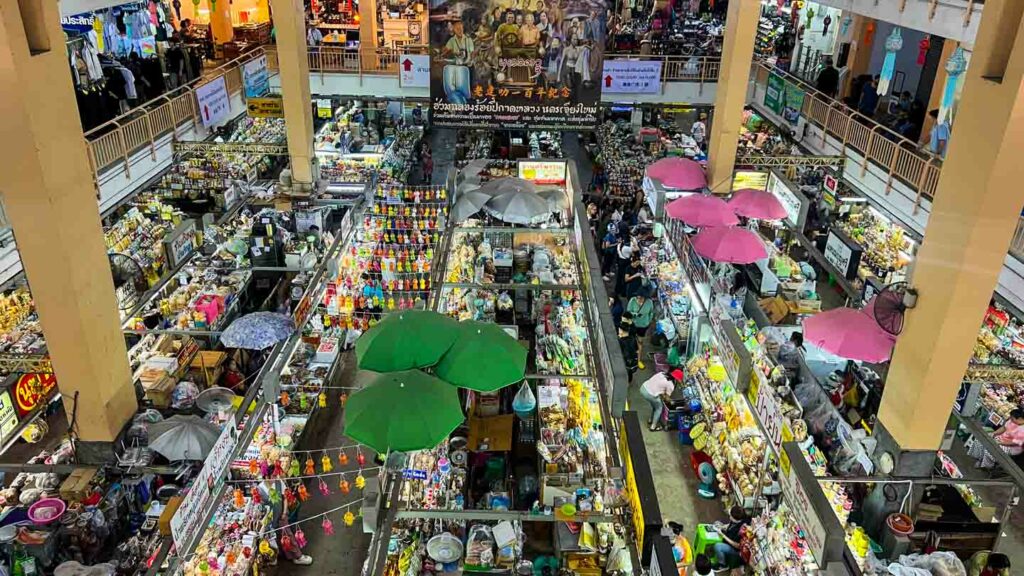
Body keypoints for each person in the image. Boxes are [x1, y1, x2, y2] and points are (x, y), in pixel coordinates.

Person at [627, 290, 654, 368]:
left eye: (641, 298)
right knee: (631, 341)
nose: (639, 300)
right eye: (638, 298)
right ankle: (630, 357)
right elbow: (628, 312)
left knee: (640, 342)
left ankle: (638, 360)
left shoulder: (649, 302)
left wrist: (648, 321)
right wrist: (635, 314)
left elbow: (651, 312)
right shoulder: (632, 301)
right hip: (633, 324)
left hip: (643, 325)